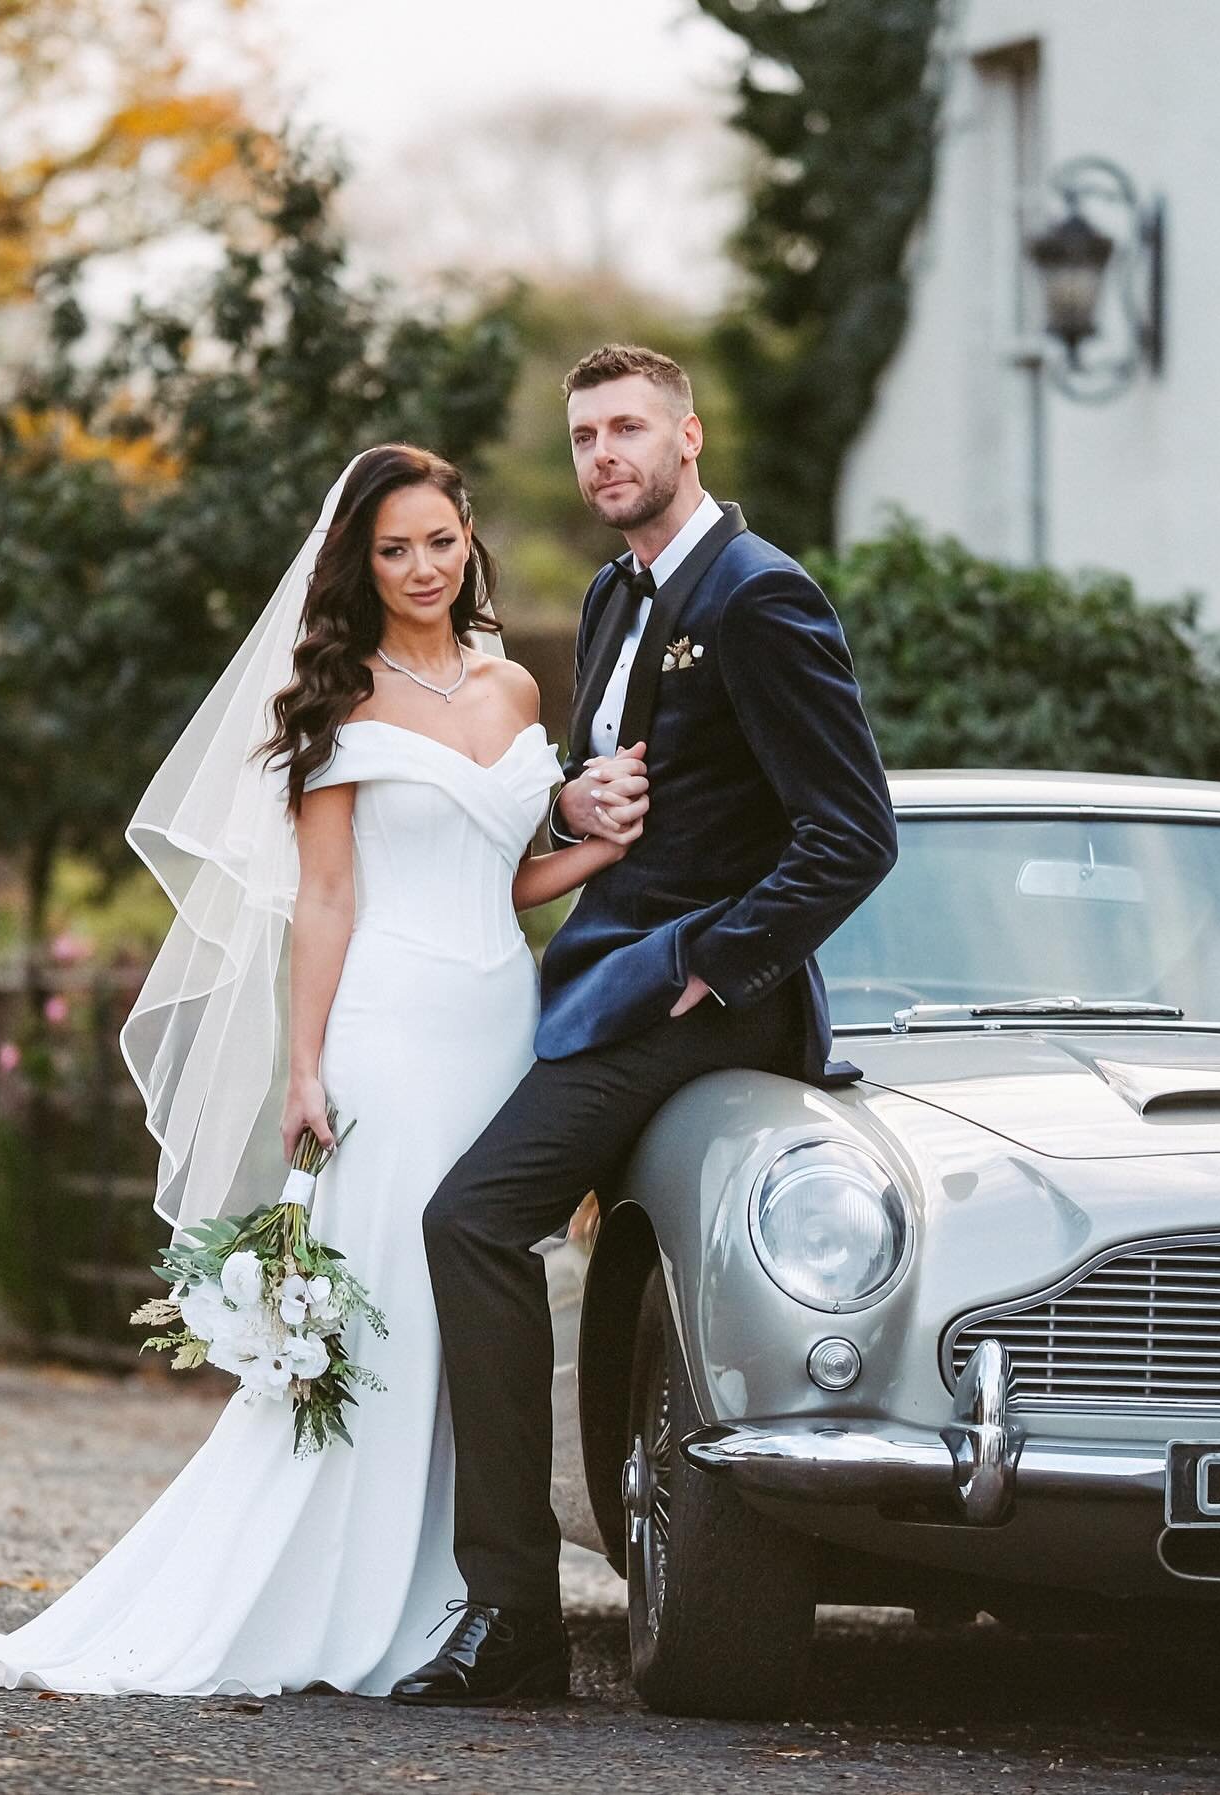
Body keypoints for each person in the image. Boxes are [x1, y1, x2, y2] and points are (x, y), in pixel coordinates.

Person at [0, 444, 628, 1698]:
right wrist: (304, 1067)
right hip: (388, 1027)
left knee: (474, 1299)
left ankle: (481, 1593)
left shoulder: (519, 690)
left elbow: (504, 876)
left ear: (470, 535)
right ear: (358, 566)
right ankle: (360, 1589)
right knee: (390, 1300)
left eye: (439, 540)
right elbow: (325, 898)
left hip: (499, 1022)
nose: (422, 568)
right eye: (392, 549)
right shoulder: (336, 702)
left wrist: (595, 848)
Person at [392, 344, 898, 1707]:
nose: (603, 453)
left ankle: (513, 1616)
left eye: (627, 427)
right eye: (583, 436)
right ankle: (509, 1588)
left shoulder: (759, 595)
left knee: (472, 1217)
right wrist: (571, 808)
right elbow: (598, 795)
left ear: (689, 432)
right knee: (467, 1215)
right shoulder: (620, 592)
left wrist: (716, 961)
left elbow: (852, 834)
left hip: (695, 1002)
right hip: (594, 978)